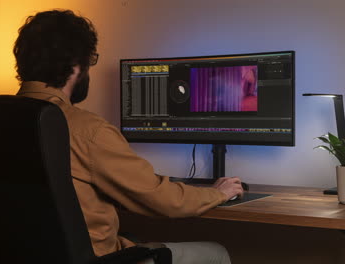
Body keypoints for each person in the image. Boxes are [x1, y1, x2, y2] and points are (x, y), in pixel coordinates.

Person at [13, 9, 243, 264]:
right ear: (75, 65)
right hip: (98, 259)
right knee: (216, 252)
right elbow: (160, 199)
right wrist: (219, 193)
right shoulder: (86, 130)